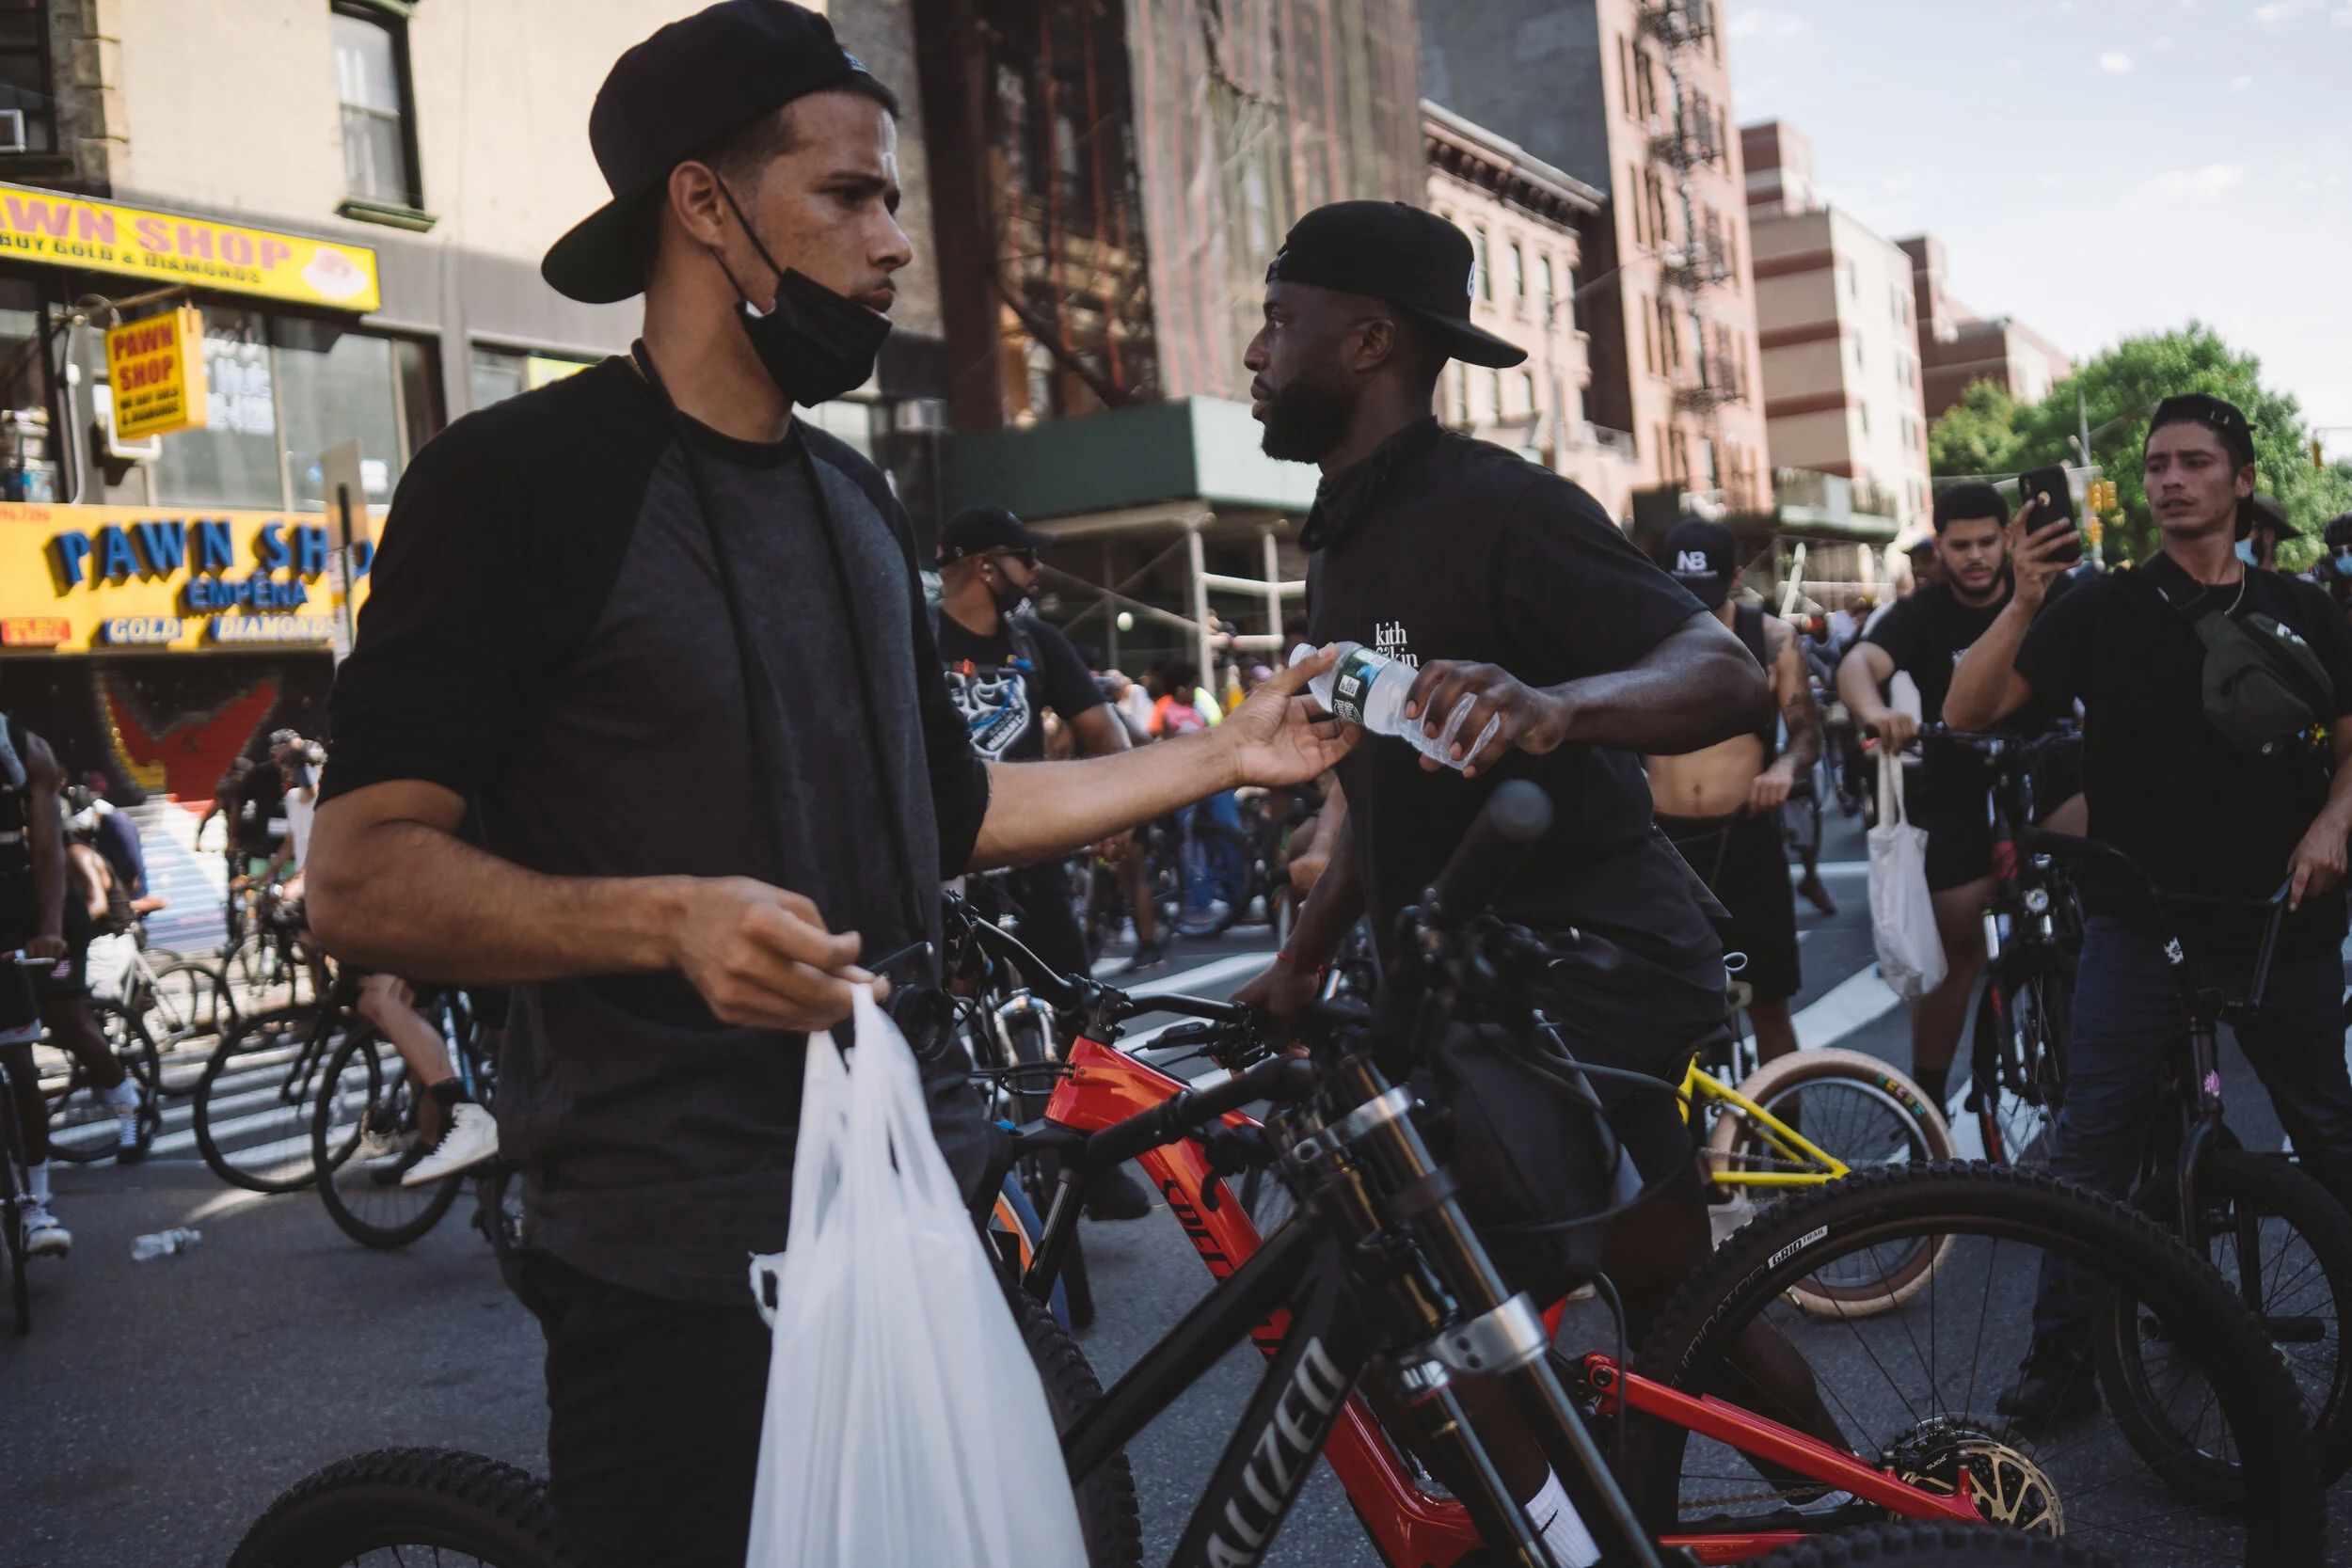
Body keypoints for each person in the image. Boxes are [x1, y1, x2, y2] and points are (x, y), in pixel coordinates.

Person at [304, 9, 1351, 1561]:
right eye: (850, 195)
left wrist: (1224, 750)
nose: (895, 241)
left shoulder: (858, 498)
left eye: (894, 201)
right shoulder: (514, 483)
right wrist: (667, 920)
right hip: (674, 1257)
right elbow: (358, 874)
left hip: (923, 1193)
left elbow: (949, 812)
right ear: (703, 203)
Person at [1223, 198, 1829, 1553]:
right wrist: (1302, 958)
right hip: (1480, 981)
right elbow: (1383, 796)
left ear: (1369, 340)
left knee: (1433, 1300)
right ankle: (1861, 1512)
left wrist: (1558, 706)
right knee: (1678, 1297)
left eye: (1277, 319)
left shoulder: (1499, 504)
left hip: (1585, 963)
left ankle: (1561, 1546)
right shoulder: (1340, 534)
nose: (1254, 351)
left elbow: (1722, 673)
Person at [1945, 393, 2352, 1423]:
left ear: (2242, 480)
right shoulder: (2099, 606)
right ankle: (2061, 1354)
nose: (2172, 479)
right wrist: (2024, 599)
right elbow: (1965, 709)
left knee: (2328, 1133)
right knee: (2091, 1151)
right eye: (2158, 463)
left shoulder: (2305, 608)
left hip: (2284, 920)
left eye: (2195, 462)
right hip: (2139, 921)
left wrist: (2332, 823)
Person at [933, 502, 1154, 1212]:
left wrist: (1118, 807)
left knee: (1076, 1000)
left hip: (1030, 854)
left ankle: (1089, 1160)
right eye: (1026, 558)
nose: (1037, 571)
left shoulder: (1038, 642)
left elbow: (1104, 729)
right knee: (927, 1011)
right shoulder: (913, 636)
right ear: (984, 565)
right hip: (938, 857)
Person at [1835, 483, 2079, 1116]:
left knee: (2093, 889)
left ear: (2009, 538)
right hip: (1955, 780)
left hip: (2049, 767)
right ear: (1938, 547)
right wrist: (1875, 714)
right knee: (1957, 948)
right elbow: (1857, 665)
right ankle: (1928, 1104)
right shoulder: (1921, 612)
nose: (1975, 556)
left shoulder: (2055, 591)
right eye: (1960, 544)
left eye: (1987, 542)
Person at [1644, 519, 1824, 1064]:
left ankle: (1778, 1118)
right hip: (1666, 846)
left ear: (1736, 578)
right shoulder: (1640, 638)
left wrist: (1784, 770)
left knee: (1767, 1001)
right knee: (1668, 1006)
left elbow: (1807, 736)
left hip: (1746, 837)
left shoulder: (1771, 638)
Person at [0, 715, 137, 1265]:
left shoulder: (24, 752)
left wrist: (51, 929)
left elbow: (48, 854)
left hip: (32, 923)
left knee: (40, 1043)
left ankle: (37, 1202)